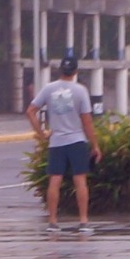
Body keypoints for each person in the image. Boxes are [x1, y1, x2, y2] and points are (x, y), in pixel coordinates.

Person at [26, 50, 102, 235]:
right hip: (77, 140)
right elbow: (87, 121)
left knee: (55, 179)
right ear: (75, 71)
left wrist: (41, 134)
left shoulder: (49, 89)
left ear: (60, 70)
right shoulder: (80, 91)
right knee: (80, 180)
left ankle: (53, 222)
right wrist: (95, 145)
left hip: (56, 141)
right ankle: (83, 221)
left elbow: (30, 111)